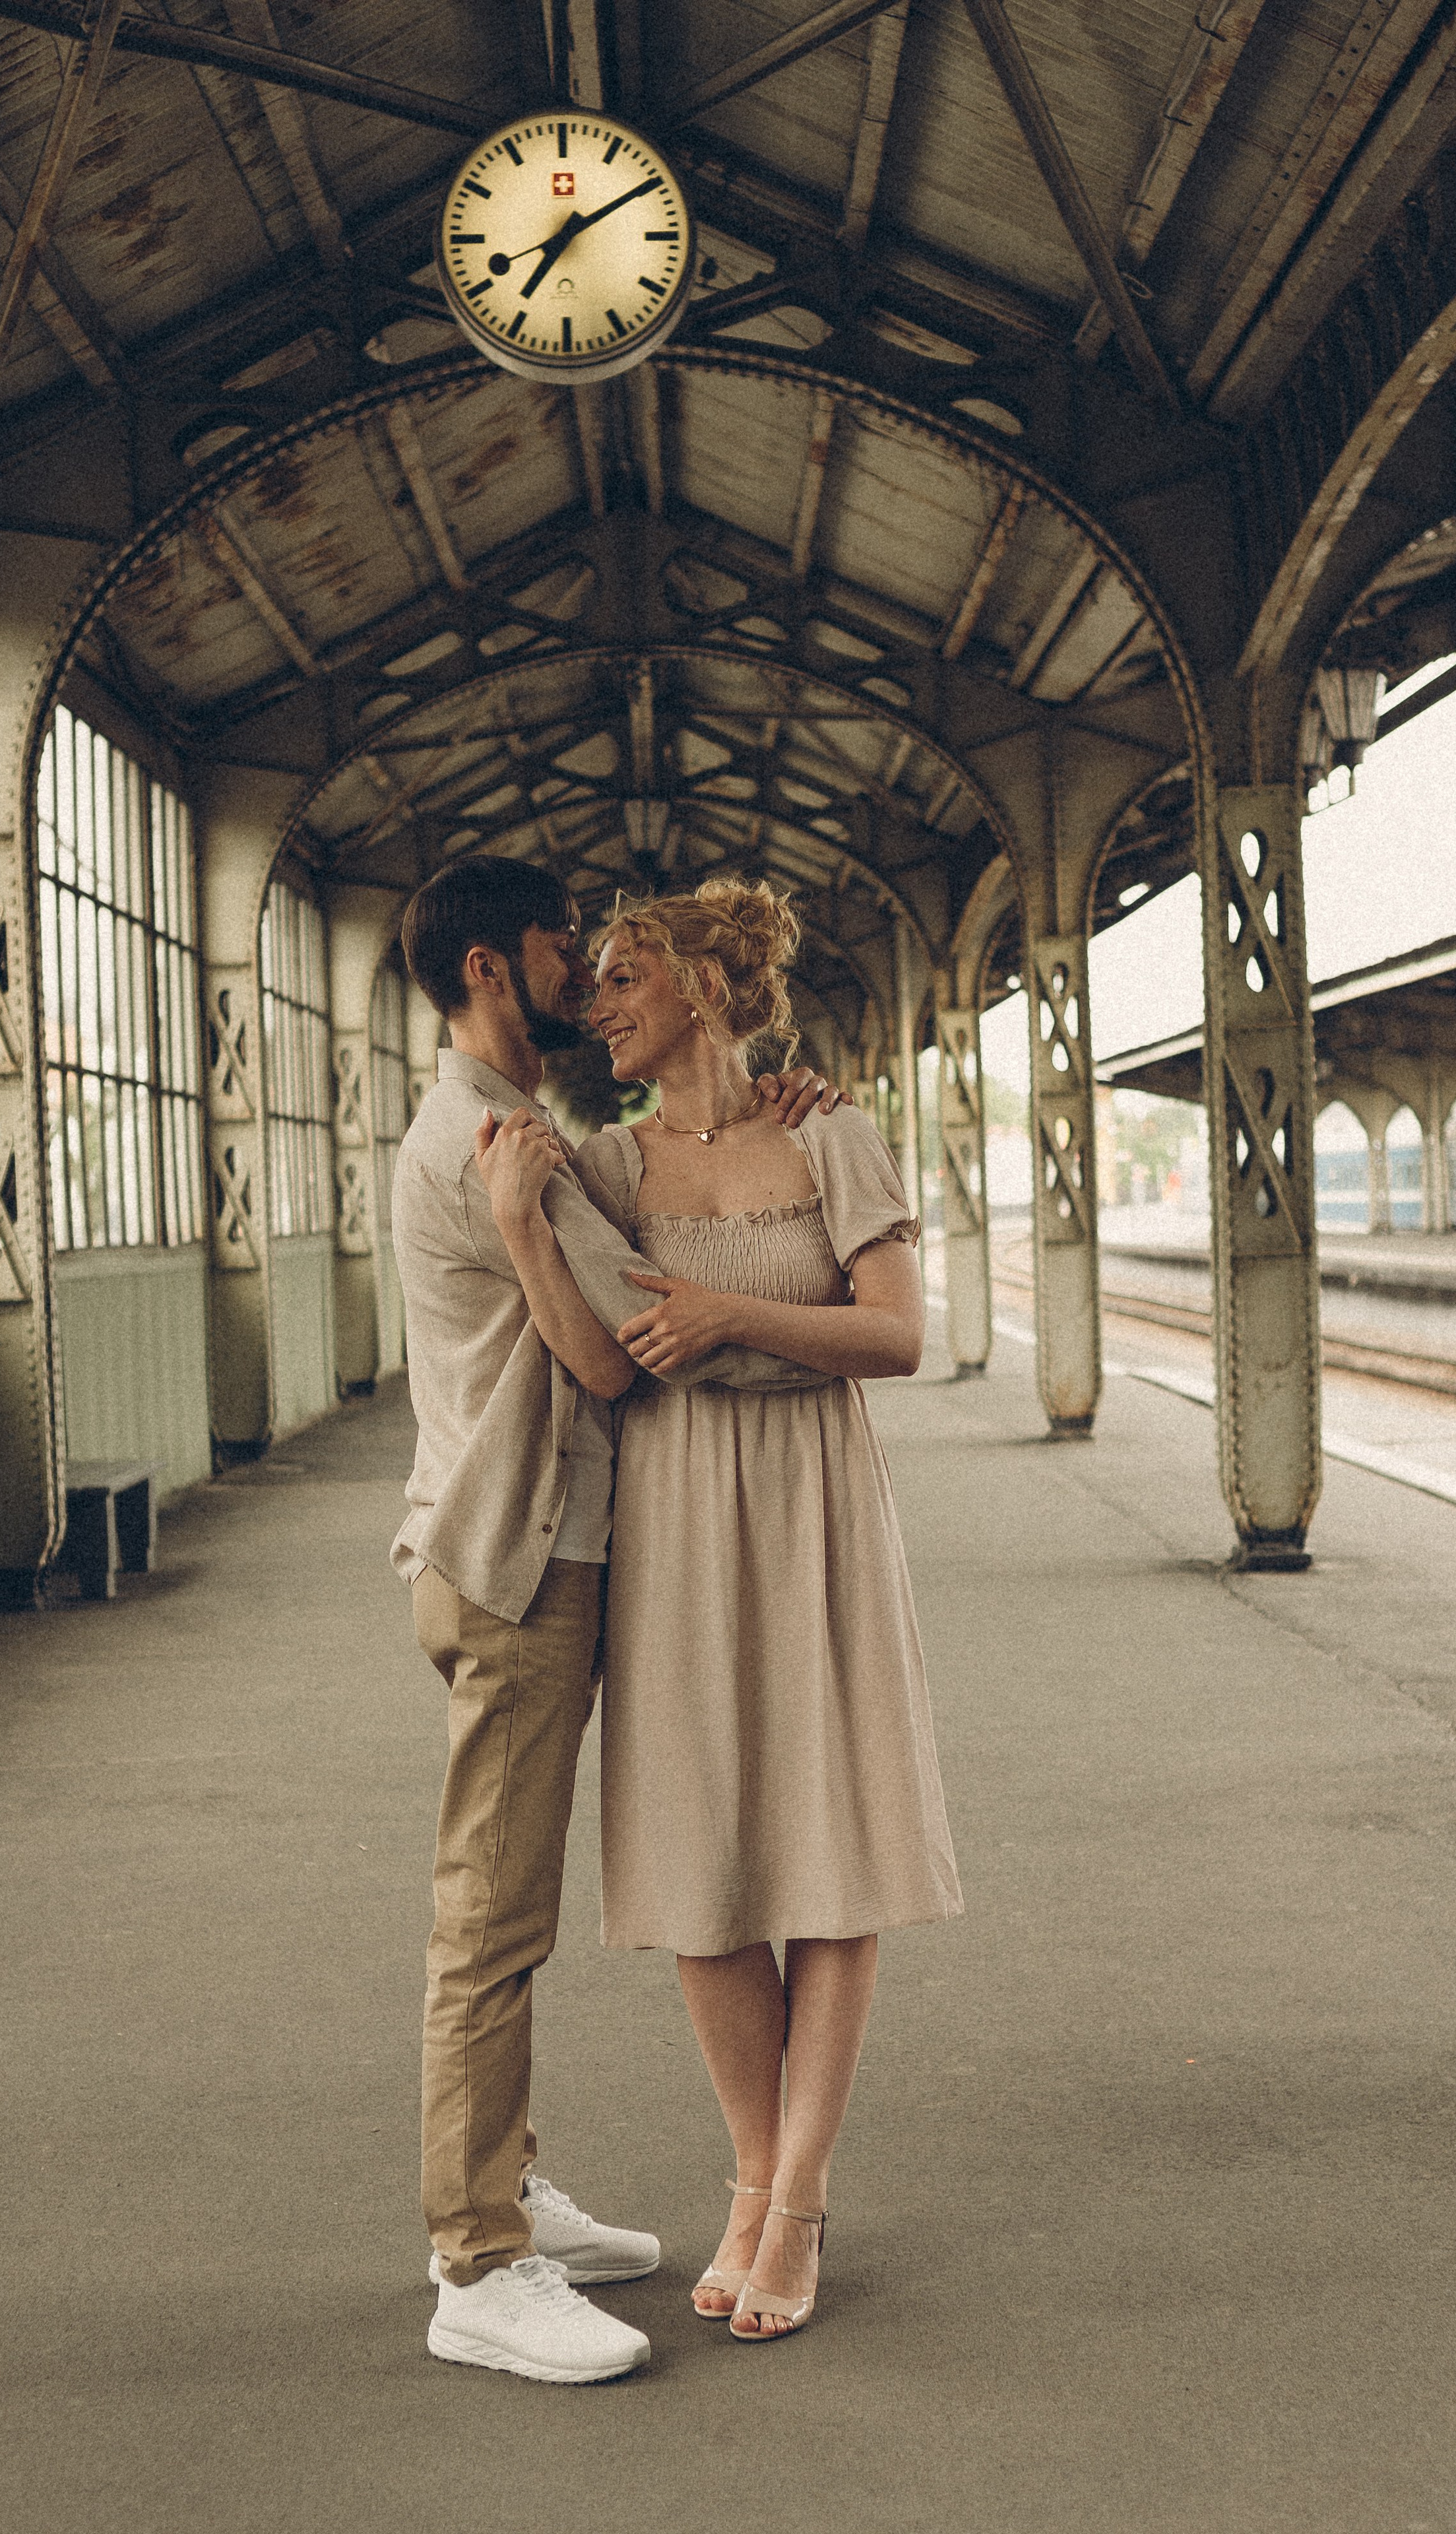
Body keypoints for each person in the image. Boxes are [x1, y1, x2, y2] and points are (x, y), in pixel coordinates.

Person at [389, 855, 838, 2386]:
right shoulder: (485, 1149)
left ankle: (505, 2191)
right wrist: (777, 1226)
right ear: (487, 971)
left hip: (539, 1552)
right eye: (553, 947)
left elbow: (649, 1188)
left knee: (508, 1912)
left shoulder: (528, 1135)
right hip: (512, 1565)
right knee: (490, 1924)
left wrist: (750, 1120)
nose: (579, 971)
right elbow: (628, 1341)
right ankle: (477, 2261)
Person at [499, 875, 963, 2345]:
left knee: (831, 1852)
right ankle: (752, 2178)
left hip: (820, 1513)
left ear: (701, 984)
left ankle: (797, 2200)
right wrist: (522, 1226)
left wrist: (732, 1316)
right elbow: (604, 1366)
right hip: (681, 1520)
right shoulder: (603, 1165)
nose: (597, 1003)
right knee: (702, 1865)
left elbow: (892, 1336)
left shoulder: (830, 1130)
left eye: (622, 978)